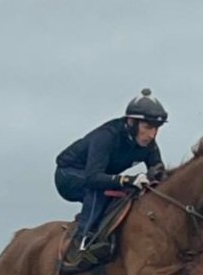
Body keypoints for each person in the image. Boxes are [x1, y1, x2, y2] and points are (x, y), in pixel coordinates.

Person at [55, 88, 168, 250]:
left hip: (98, 176)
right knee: (101, 189)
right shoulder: (106, 136)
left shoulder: (149, 145)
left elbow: (160, 176)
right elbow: (93, 177)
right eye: (147, 127)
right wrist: (127, 180)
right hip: (68, 174)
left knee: (130, 193)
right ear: (131, 122)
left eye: (157, 128)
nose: (152, 135)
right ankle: (82, 240)